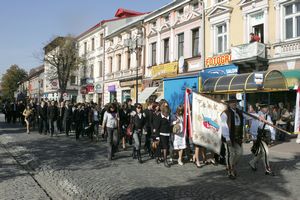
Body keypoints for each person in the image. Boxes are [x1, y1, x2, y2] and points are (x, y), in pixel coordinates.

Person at [220, 96, 244, 179]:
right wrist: (227, 138)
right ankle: (230, 172)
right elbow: (224, 126)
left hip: (237, 137)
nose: (234, 103)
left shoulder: (239, 112)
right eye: (232, 102)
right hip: (229, 137)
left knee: (239, 153)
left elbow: (249, 117)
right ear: (229, 103)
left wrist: (259, 117)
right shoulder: (225, 113)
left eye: (235, 102)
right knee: (230, 154)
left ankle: (231, 165)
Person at [249, 103, 275, 176]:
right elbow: (253, 128)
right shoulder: (257, 116)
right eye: (264, 107)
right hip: (259, 137)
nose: (266, 109)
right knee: (266, 152)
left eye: (266, 107)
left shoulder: (268, 116)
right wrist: (254, 138)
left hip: (266, 137)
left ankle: (252, 162)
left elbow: (271, 127)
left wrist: (273, 137)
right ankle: (268, 169)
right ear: (261, 108)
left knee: (262, 153)